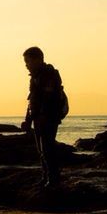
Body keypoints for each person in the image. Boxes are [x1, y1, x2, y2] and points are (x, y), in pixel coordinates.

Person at [21, 46, 68, 189]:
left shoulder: (50, 75)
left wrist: (43, 115)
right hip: (37, 118)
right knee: (41, 150)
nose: (26, 65)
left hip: (49, 118)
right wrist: (28, 120)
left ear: (38, 59)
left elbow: (49, 98)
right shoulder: (34, 78)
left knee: (48, 148)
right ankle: (45, 177)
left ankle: (53, 179)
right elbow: (31, 101)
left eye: (28, 61)